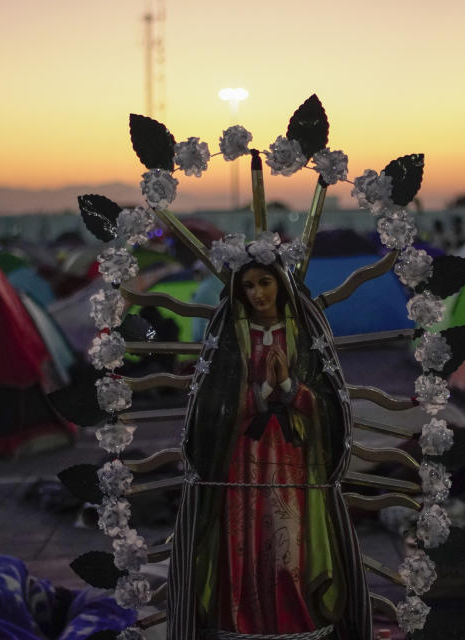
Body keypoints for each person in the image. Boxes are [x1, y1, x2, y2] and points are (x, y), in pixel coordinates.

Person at [167, 258, 371, 640]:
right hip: (241, 461)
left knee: (288, 543)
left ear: (281, 284)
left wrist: (292, 390)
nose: (258, 294)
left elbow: (329, 403)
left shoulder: (303, 335)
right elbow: (214, 406)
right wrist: (261, 392)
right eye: (248, 286)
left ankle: (293, 621)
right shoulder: (232, 338)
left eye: (265, 283)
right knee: (242, 543)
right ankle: (240, 622)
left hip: (293, 461)